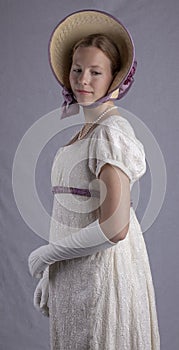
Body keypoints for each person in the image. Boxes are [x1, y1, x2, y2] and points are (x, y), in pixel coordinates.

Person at [28, 10, 160, 350]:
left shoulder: (111, 132)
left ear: (115, 77)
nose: (82, 79)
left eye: (95, 72)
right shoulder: (84, 133)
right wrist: (52, 274)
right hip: (76, 278)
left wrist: (48, 254)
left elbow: (115, 227)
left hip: (100, 278)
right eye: (77, 69)